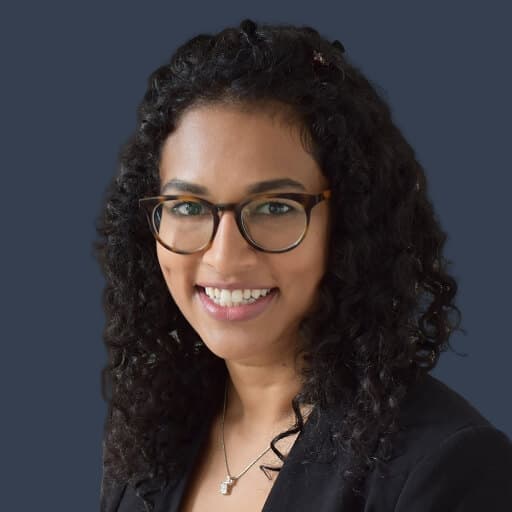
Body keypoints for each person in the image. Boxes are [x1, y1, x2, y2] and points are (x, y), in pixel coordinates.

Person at [94, 18, 512, 512]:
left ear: (350, 222)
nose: (224, 256)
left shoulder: (447, 465)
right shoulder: (152, 444)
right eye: (188, 206)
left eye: (274, 207)